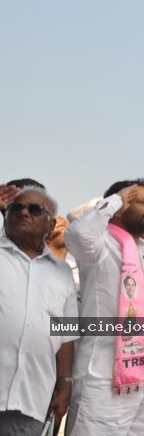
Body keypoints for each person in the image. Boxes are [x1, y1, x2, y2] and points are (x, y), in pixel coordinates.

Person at [65, 179, 144, 436]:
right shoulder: (100, 245)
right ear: (120, 206)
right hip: (104, 380)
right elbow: (77, 233)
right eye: (143, 202)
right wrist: (114, 199)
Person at [0, 185, 77, 434]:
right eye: (16, 207)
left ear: (50, 224)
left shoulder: (62, 272)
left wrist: (65, 386)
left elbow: (65, 334)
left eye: (34, 209)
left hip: (31, 399)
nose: (24, 213)